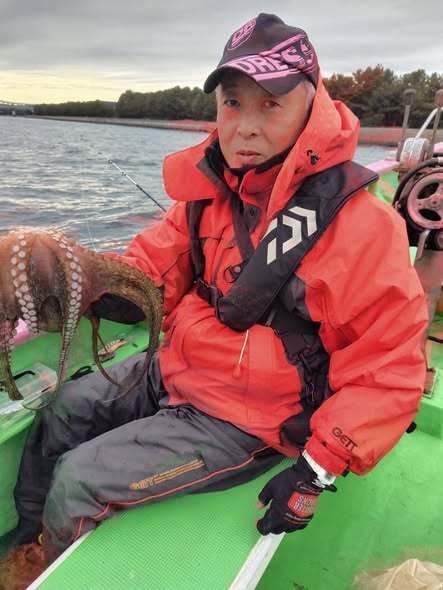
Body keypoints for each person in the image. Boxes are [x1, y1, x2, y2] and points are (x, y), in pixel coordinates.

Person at [0, 13, 428, 589]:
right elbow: (150, 272)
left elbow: (389, 367)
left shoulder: (362, 228)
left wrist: (317, 468)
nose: (245, 127)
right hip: (179, 366)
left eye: (269, 105)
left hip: (250, 417)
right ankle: (29, 539)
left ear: (312, 106)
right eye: (232, 103)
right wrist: (83, 276)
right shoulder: (207, 196)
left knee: (79, 479)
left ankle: (52, 569)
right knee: (64, 409)